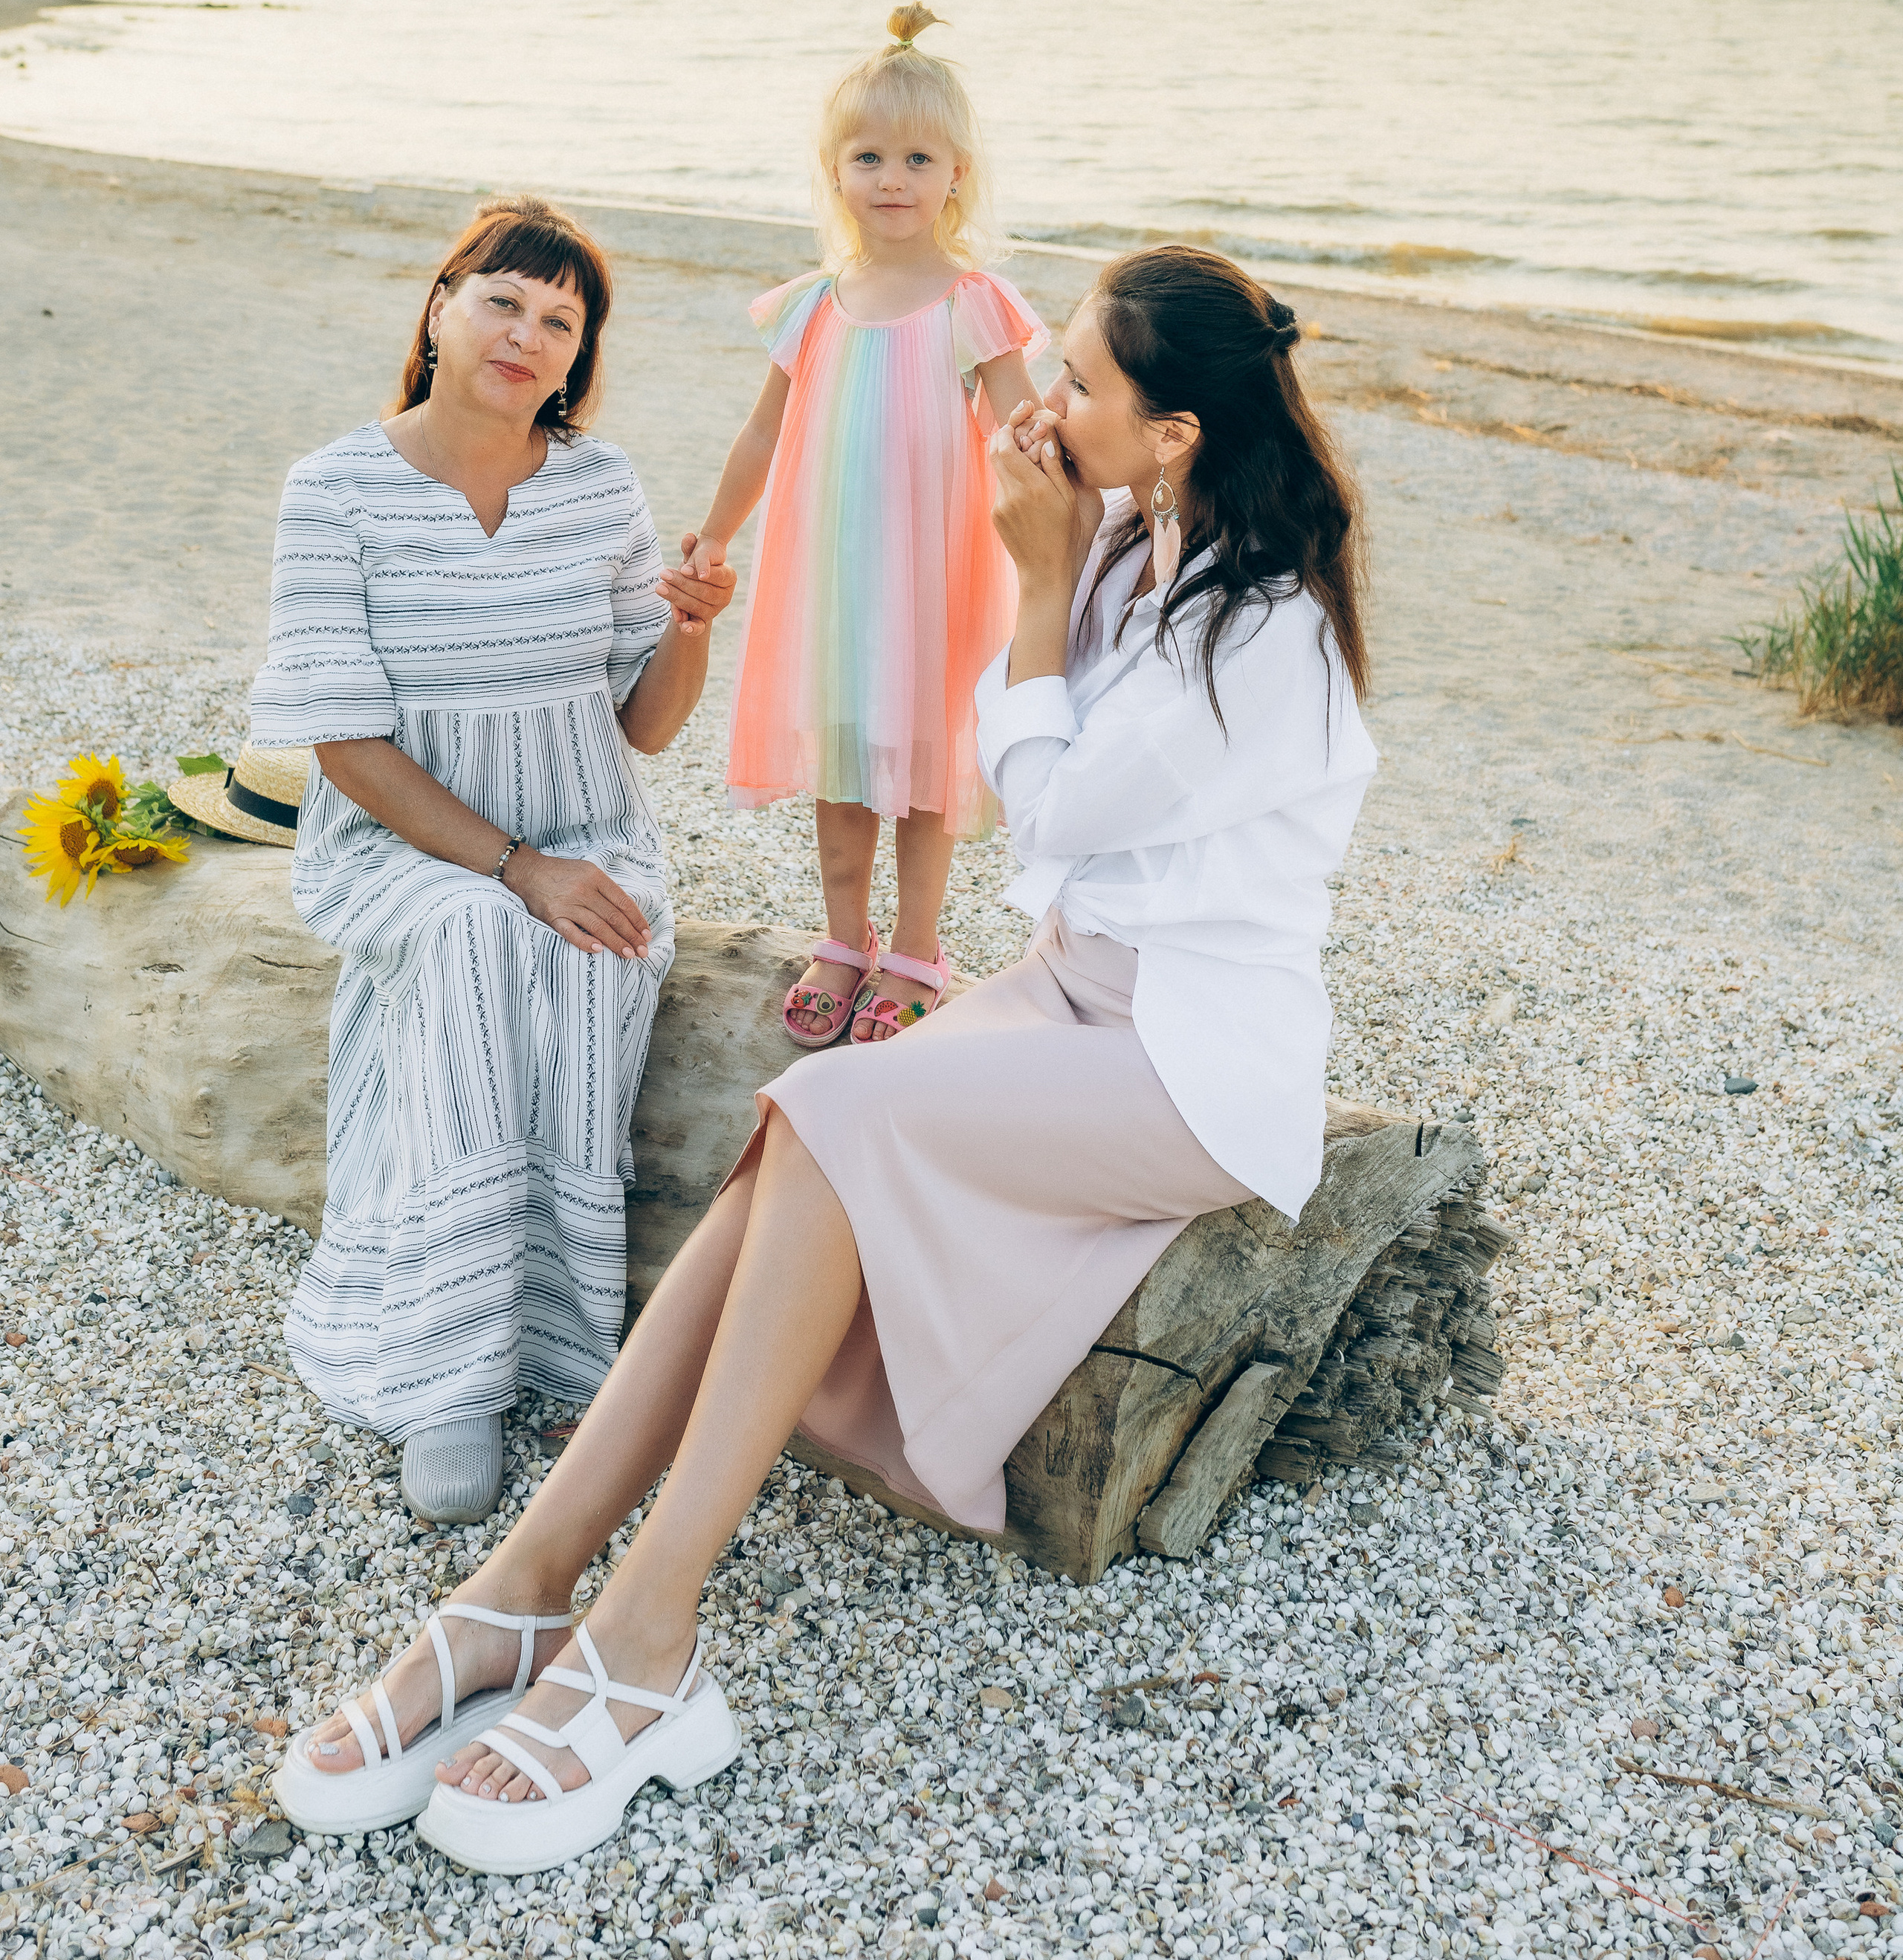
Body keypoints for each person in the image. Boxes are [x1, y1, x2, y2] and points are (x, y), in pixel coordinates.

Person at [274, 242, 1376, 1870]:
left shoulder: (1264, 629)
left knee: (831, 1104)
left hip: (1191, 1062)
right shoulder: (1139, 539)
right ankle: (525, 1590)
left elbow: (1043, 808)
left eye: (1078, 384)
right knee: (805, 1128)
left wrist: (1027, 577)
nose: (1041, 400)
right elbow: (1047, 796)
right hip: (1073, 993)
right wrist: (1060, 564)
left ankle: (643, 1626)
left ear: (1175, 434)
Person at [248, 194, 734, 1540]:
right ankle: (447, 1372)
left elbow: (641, 726)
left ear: (578, 359)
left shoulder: (602, 489)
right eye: (504, 302)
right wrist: (514, 869)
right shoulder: (333, 488)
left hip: (586, 823)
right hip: (405, 840)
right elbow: (341, 742)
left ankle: (559, 1334)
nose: (527, 335)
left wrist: (689, 632)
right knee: (474, 941)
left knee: (591, 960)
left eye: (560, 323)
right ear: (440, 306)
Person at [686, 4, 1044, 1047]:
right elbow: (763, 435)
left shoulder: (973, 302)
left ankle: (920, 947)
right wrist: (714, 534)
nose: (893, 177)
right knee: (842, 767)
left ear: (957, 175)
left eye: (918, 158)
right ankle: (846, 939)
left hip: (937, 574)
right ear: (835, 171)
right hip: (831, 579)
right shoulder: (813, 305)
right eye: (869, 156)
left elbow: (1021, 430)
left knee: (926, 771)